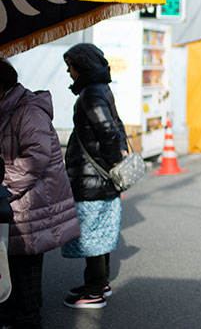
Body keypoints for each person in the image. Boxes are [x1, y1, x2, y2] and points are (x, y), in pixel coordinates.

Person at [0, 59, 80, 327]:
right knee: (12, 267)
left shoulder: (28, 111)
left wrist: (3, 189)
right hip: (19, 204)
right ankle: (14, 314)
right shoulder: (9, 108)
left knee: (26, 270)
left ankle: (29, 320)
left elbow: (35, 159)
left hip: (29, 203)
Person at [61, 43, 127, 309]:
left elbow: (108, 131)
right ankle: (100, 283)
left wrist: (113, 162)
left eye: (71, 66)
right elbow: (114, 128)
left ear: (82, 65)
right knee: (100, 231)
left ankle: (94, 290)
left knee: (92, 234)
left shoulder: (90, 94)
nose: (69, 72)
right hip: (100, 175)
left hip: (92, 176)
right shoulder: (101, 89)